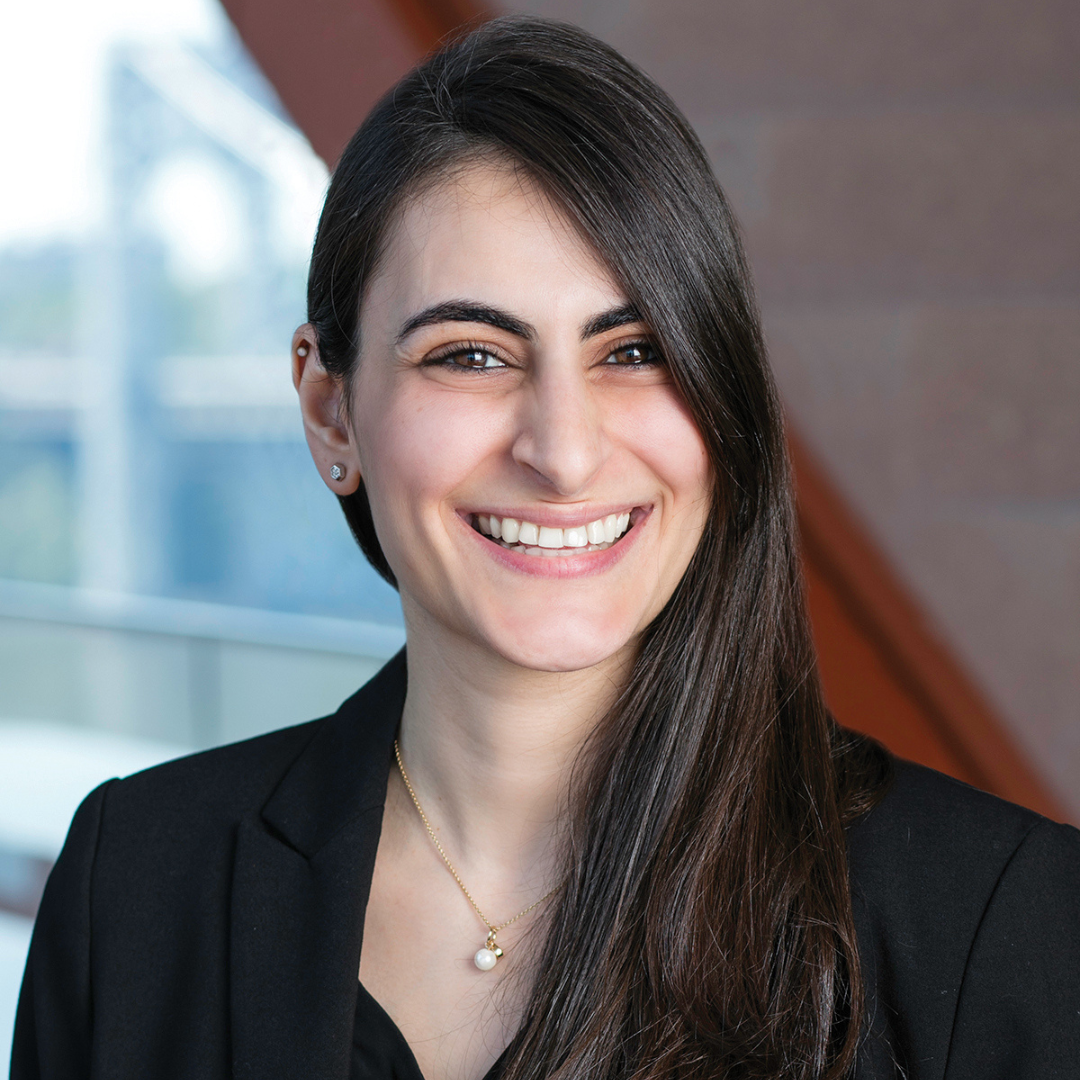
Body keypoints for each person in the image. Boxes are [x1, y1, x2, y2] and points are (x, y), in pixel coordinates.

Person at [11, 16, 1080, 1080]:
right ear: (330, 412)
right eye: (471, 355)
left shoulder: (998, 924)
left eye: (635, 351)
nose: (563, 452)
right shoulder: (137, 883)